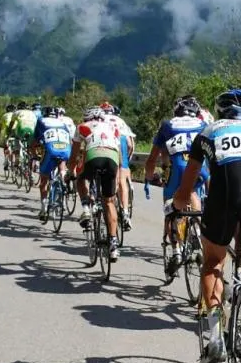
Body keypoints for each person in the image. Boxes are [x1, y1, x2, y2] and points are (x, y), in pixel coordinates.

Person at [172, 89, 241, 363]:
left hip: (230, 192)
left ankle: (215, 338)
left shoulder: (209, 130)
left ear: (221, 112)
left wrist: (178, 204)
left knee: (212, 261)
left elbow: (190, 178)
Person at [144, 95, 210, 280]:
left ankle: (176, 250)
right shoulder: (203, 124)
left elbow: (152, 159)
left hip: (178, 168)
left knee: (170, 207)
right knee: (192, 192)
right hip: (201, 169)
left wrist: (150, 176)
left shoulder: (168, 125)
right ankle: (196, 232)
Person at [69, 107, 122, 261]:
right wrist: (117, 176)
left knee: (81, 179)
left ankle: (86, 208)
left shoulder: (82, 127)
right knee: (109, 201)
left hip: (94, 156)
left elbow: (74, 155)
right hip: (112, 160)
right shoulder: (113, 126)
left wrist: (70, 171)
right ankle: (113, 244)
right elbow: (118, 154)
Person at [100, 101, 136, 231]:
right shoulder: (120, 121)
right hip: (122, 143)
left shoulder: (100, 120)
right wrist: (127, 160)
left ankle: (111, 206)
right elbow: (130, 144)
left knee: (112, 179)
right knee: (122, 181)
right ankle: (125, 212)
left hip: (109, 143)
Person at [33, 106, 73, 222]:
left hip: (51, 149)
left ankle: (44, 209)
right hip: (66, 149)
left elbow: (35, 141)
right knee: (62, 164)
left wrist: (34, 154)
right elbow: (70, 140)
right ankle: (63, 177)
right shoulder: (62, 122)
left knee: (44, 180)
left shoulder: (41, 121)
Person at [0, 102, 16, 172]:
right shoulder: (16, 114)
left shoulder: (4, 115)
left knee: (6, 147)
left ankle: (7, 161)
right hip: (16, 132)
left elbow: (0, 127)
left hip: (8, 132)